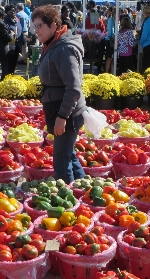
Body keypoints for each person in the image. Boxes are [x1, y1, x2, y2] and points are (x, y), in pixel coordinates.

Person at [32, 5, 86, 184]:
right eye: (35, 25)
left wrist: (62, 117)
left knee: (61, 162)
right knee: (68, 154)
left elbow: (73, 88)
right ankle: (82, 191)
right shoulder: (53, 44)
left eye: (40, 26)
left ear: (54, 26)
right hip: (59, 109)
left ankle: (69, 203)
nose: (36, 30)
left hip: (67, 113)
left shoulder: (64, 49)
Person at [4, 4, 22, 75]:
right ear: (7, 12)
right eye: (11, 11)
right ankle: (8, 77)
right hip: (10, 46)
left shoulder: (16, 19)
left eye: (14, 11)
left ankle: (12, 75)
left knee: (14, 63)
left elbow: (20, 28)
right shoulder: (5, 20)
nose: (13, 12)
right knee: (9, 64)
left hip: (17, 44)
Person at [104, 6, 115, 73]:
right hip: (109, 40)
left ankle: (112, 73)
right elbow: (111, 32)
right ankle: (106, 72)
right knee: (109, 57)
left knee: (113, 58)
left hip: (113, 40)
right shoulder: (111, 20)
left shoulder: (115, 20)